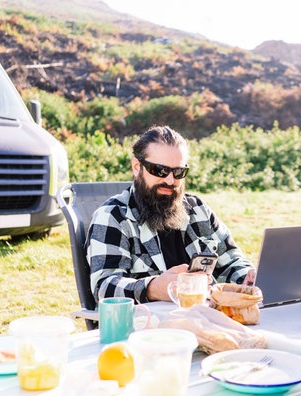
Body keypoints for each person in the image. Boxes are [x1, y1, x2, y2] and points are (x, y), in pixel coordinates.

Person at [86, 125, 256, 304]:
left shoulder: (198, 210)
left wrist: (247, 277)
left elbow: (232, 260)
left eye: (178, 172)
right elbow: (104, 288)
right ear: (137, 167)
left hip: (205, 318)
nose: (170, 180)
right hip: (145, 325)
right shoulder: (112, 217)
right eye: (160, 170)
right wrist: (153, 288)